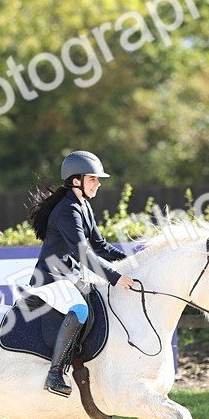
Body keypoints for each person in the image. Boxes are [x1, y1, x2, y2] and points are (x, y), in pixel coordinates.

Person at [26, 150, 135, 397]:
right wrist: (116, 278)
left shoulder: (82, 205)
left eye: (98, 180)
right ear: (76, 181)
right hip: (51, 279)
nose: (98, 183)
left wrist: (131, 263)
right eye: (93, 179)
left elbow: (100, 246)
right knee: (80, 310)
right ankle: (54, 374)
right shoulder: (67, 210)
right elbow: (83, 253)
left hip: (69, 277)